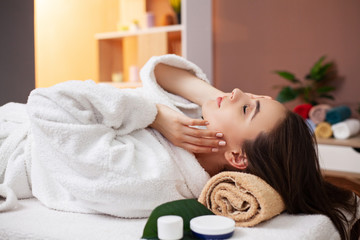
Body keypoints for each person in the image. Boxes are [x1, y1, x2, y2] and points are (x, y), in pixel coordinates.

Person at [0, 54, 358, 239]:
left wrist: (153, 112)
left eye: (247, 107)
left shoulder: (152, 177)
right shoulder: (197, 132)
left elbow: (47, 102)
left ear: (236, 157)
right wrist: (215, 104)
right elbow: (161, 71)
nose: (233, 92)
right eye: (250, 96)